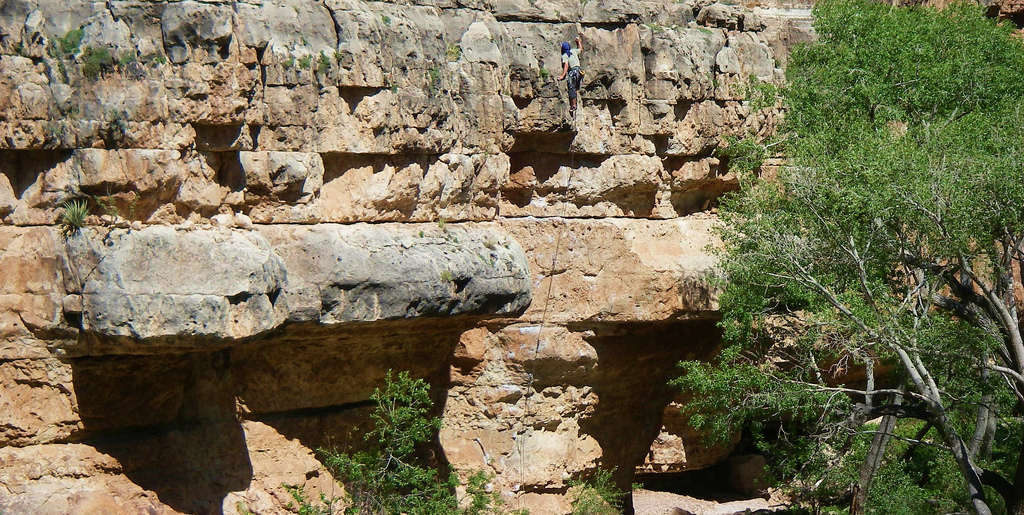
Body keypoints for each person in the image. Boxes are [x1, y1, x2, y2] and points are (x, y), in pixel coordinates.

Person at [557, 36, 583, 117]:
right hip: (580, 71)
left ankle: (573, 105)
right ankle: (575, 100)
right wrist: (578, 42)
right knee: (575, 87)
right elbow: (580, 49)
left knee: (571, 87)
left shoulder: (565, 55)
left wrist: (562, 76)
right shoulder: (574, 51)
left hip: (573, 72)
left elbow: (566, 66)